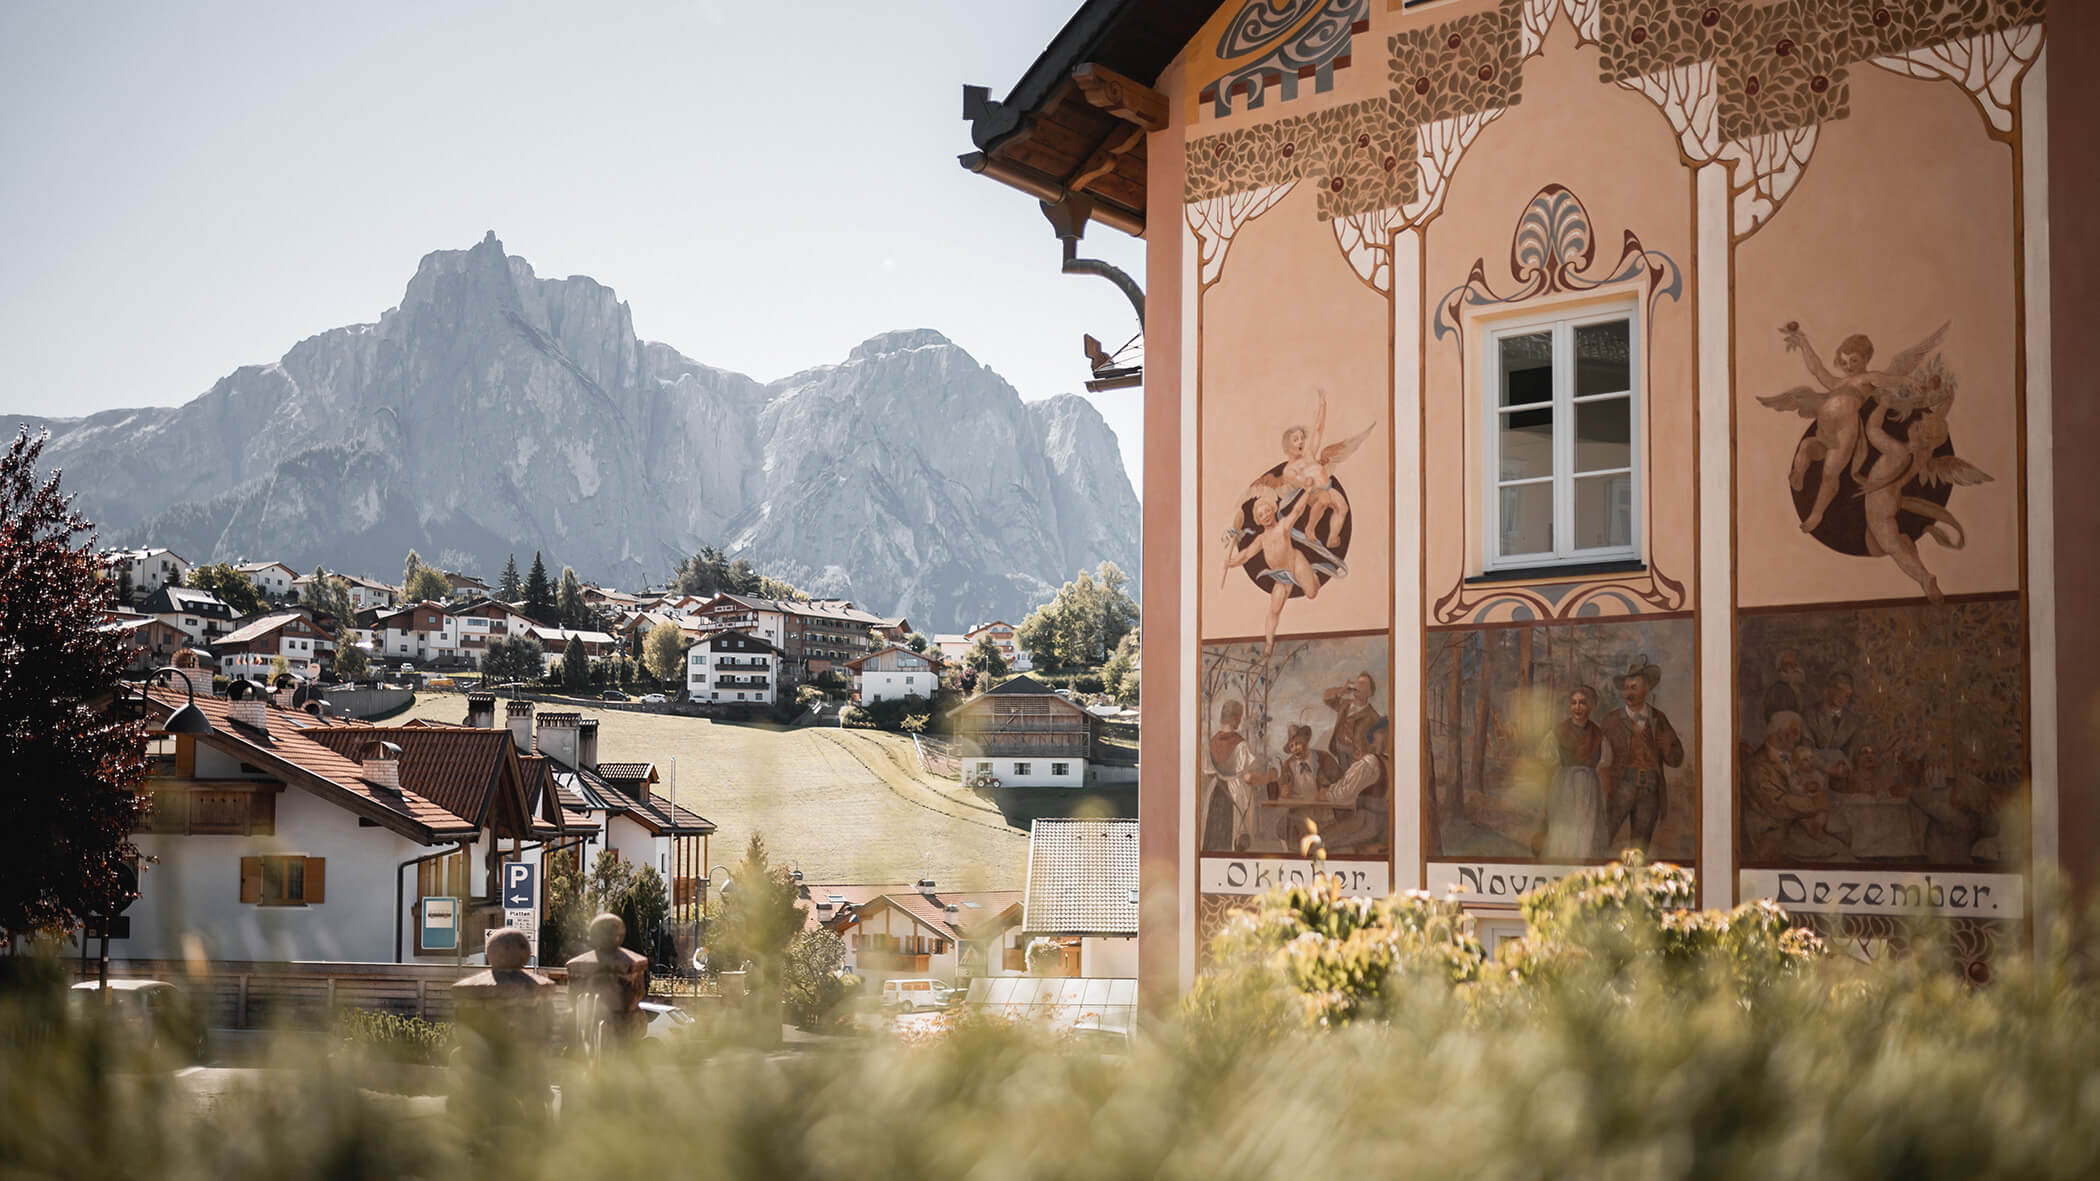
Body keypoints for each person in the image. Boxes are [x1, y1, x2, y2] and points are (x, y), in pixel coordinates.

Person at [1759, 321, 1944, 533]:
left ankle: (1817, 514)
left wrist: (1916, 384)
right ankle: (1798, 473)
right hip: (1826, 431)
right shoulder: (1837, 383)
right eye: (1844, 362)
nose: (1848, 366)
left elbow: (1891, 380)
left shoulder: (1867, 379)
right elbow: (1816, 368)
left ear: (1865, 359)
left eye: (1854, 360)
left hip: (1845, 430)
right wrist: (1802, 342)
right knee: (1807, 446)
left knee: (1830, 473)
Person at [1596, 659, 1684, 854]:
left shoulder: (1659, 719)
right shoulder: (1611, 720)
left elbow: (1676, 760)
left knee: (1639, 850)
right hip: (1621, 787)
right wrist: (1604, 787)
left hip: (1650, 790)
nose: (1628, 693)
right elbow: (1600, 759)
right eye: (1626, 688)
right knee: (1602, 839)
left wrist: (1666, 743)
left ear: (1646, 689)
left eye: (1634, 688)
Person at [1538, 685, 1606, 860]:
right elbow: (1546, 758)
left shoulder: (1598, 733)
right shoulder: (1558, 731)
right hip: (1565, 784)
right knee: (1563, 829)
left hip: (1589, 787)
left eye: (1582, 703)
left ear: (1590, 706)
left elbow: (1606, 760)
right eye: (1574, 703)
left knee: (1586, 829)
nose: (1577, 707)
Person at [1204, 699, 1266, 852]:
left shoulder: (1211, 742)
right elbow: (1248, 776)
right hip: (1235, 794)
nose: (1240, 720)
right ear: (1234, 718)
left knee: (1214, 836)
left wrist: (1222, 774)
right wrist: (1267, 778)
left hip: (1215, 792)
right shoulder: (1240, 744)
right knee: (1235, 836)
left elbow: (1209, 772)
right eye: (1239, 717)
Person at [1803, 672, 1860, 760]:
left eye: (1847, 695)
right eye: (1839, 690)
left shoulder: (1852, 721)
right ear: (1828, 689)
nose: (1842, 696)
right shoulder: (1809, 714)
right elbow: (1807, 750)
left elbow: (1851, 755)